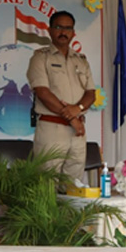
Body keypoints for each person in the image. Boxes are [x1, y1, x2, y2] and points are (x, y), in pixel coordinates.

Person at [26, 11, 96, 183]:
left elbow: (91, 93)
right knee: (46, 185)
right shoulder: (40, 57)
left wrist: (77, 110)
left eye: (68, 28)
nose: (63, 32)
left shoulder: (81, 60)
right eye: (58, 27)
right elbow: (42, 92)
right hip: (52, 129)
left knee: (73, 185)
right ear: (49, 30)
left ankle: (70, 212)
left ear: (73, 33)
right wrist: (71, 117)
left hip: (78, 132)